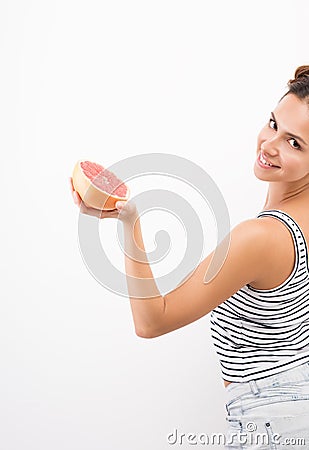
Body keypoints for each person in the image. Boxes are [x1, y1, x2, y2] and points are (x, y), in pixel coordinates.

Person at [70, 65, 309, 449]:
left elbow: (152, 320)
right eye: (272, 123)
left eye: (294, 143)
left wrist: (129, 219)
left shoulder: (263, 237)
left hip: (273, 427)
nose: (268, 144)